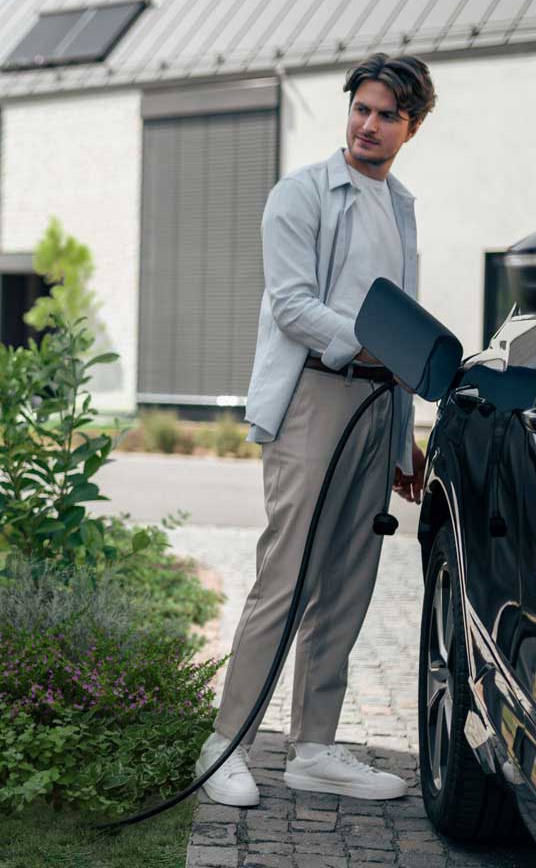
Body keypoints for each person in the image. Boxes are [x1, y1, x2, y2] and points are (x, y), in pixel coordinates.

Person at [196, 53, 437, 807]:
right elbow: (294, 308)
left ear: (412, 125)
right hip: (314, 399)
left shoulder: (400, 206)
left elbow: (399, 322)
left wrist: (403, 435)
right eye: (360, 109)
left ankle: (314, 748)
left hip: (376, 407)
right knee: (287, 578)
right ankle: (223, 745)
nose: (369, 125)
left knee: (349, 583)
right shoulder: (300, 195)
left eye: (387, 114)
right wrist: (386, 349)